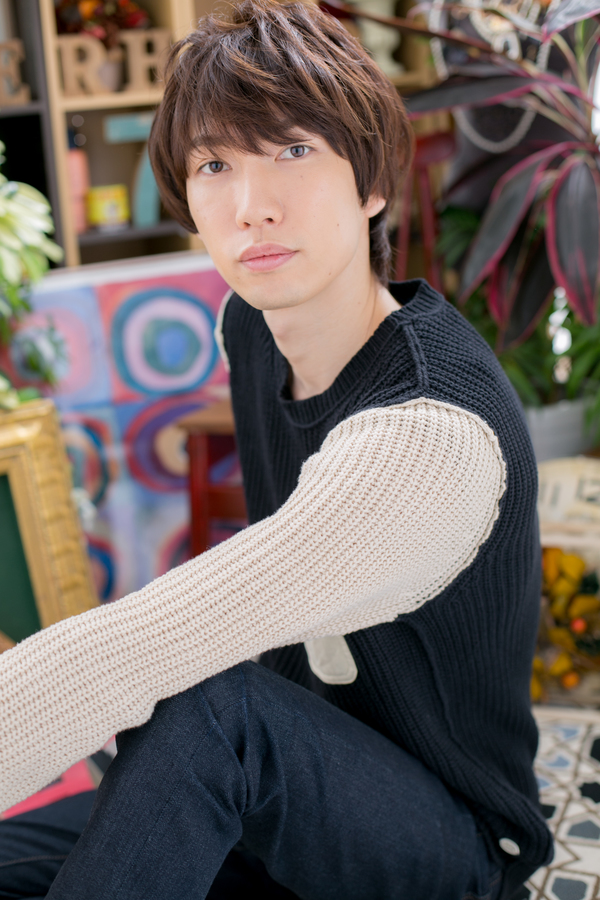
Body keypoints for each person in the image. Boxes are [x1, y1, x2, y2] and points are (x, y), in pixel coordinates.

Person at [0, 1, 552, 898]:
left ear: (371, 185)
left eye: (293, 149)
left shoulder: (426, 440)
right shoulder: (253, 325)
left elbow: (145, 648)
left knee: (213, 702)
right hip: (286, 797)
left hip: (446, 845)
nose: (251, 206)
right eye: (215, 164)